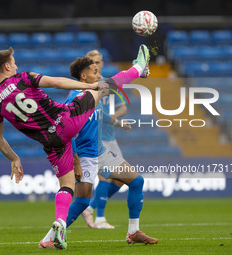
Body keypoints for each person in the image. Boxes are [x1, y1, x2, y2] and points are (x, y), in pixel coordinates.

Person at [39, 45, 158, 249]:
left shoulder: (93, 93)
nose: (99, 75)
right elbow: (68, 135)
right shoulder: (76, 100)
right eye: (95, 72)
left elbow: (118, 82)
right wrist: (75, 161)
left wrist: (138, 68)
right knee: (83, 202)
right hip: (84, 156)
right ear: (83, 76)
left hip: (100, 152)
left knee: (137, 181)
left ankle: (133, 232)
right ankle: (49, 238)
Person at [0, 47, 107, 250]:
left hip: (49, 142)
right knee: (103, 89)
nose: (16, 65)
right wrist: (90, 85)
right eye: (14, 62)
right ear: (7, 66)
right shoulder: (23, 78)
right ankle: (138, 69)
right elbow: (56, 82)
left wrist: (14, 159)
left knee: (66, 185)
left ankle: (60, 222)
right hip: (64, 122)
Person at [82, 49, 127, 229]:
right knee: (105, 178)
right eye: (93, 61)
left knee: (120, 179)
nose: (97, 64)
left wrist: (115, 117)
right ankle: (100, 218)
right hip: (96, 139)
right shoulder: (84, 86)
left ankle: (90, 207)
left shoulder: (110, 84)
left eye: (99, 61)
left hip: (111, 138)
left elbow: (123, 107)